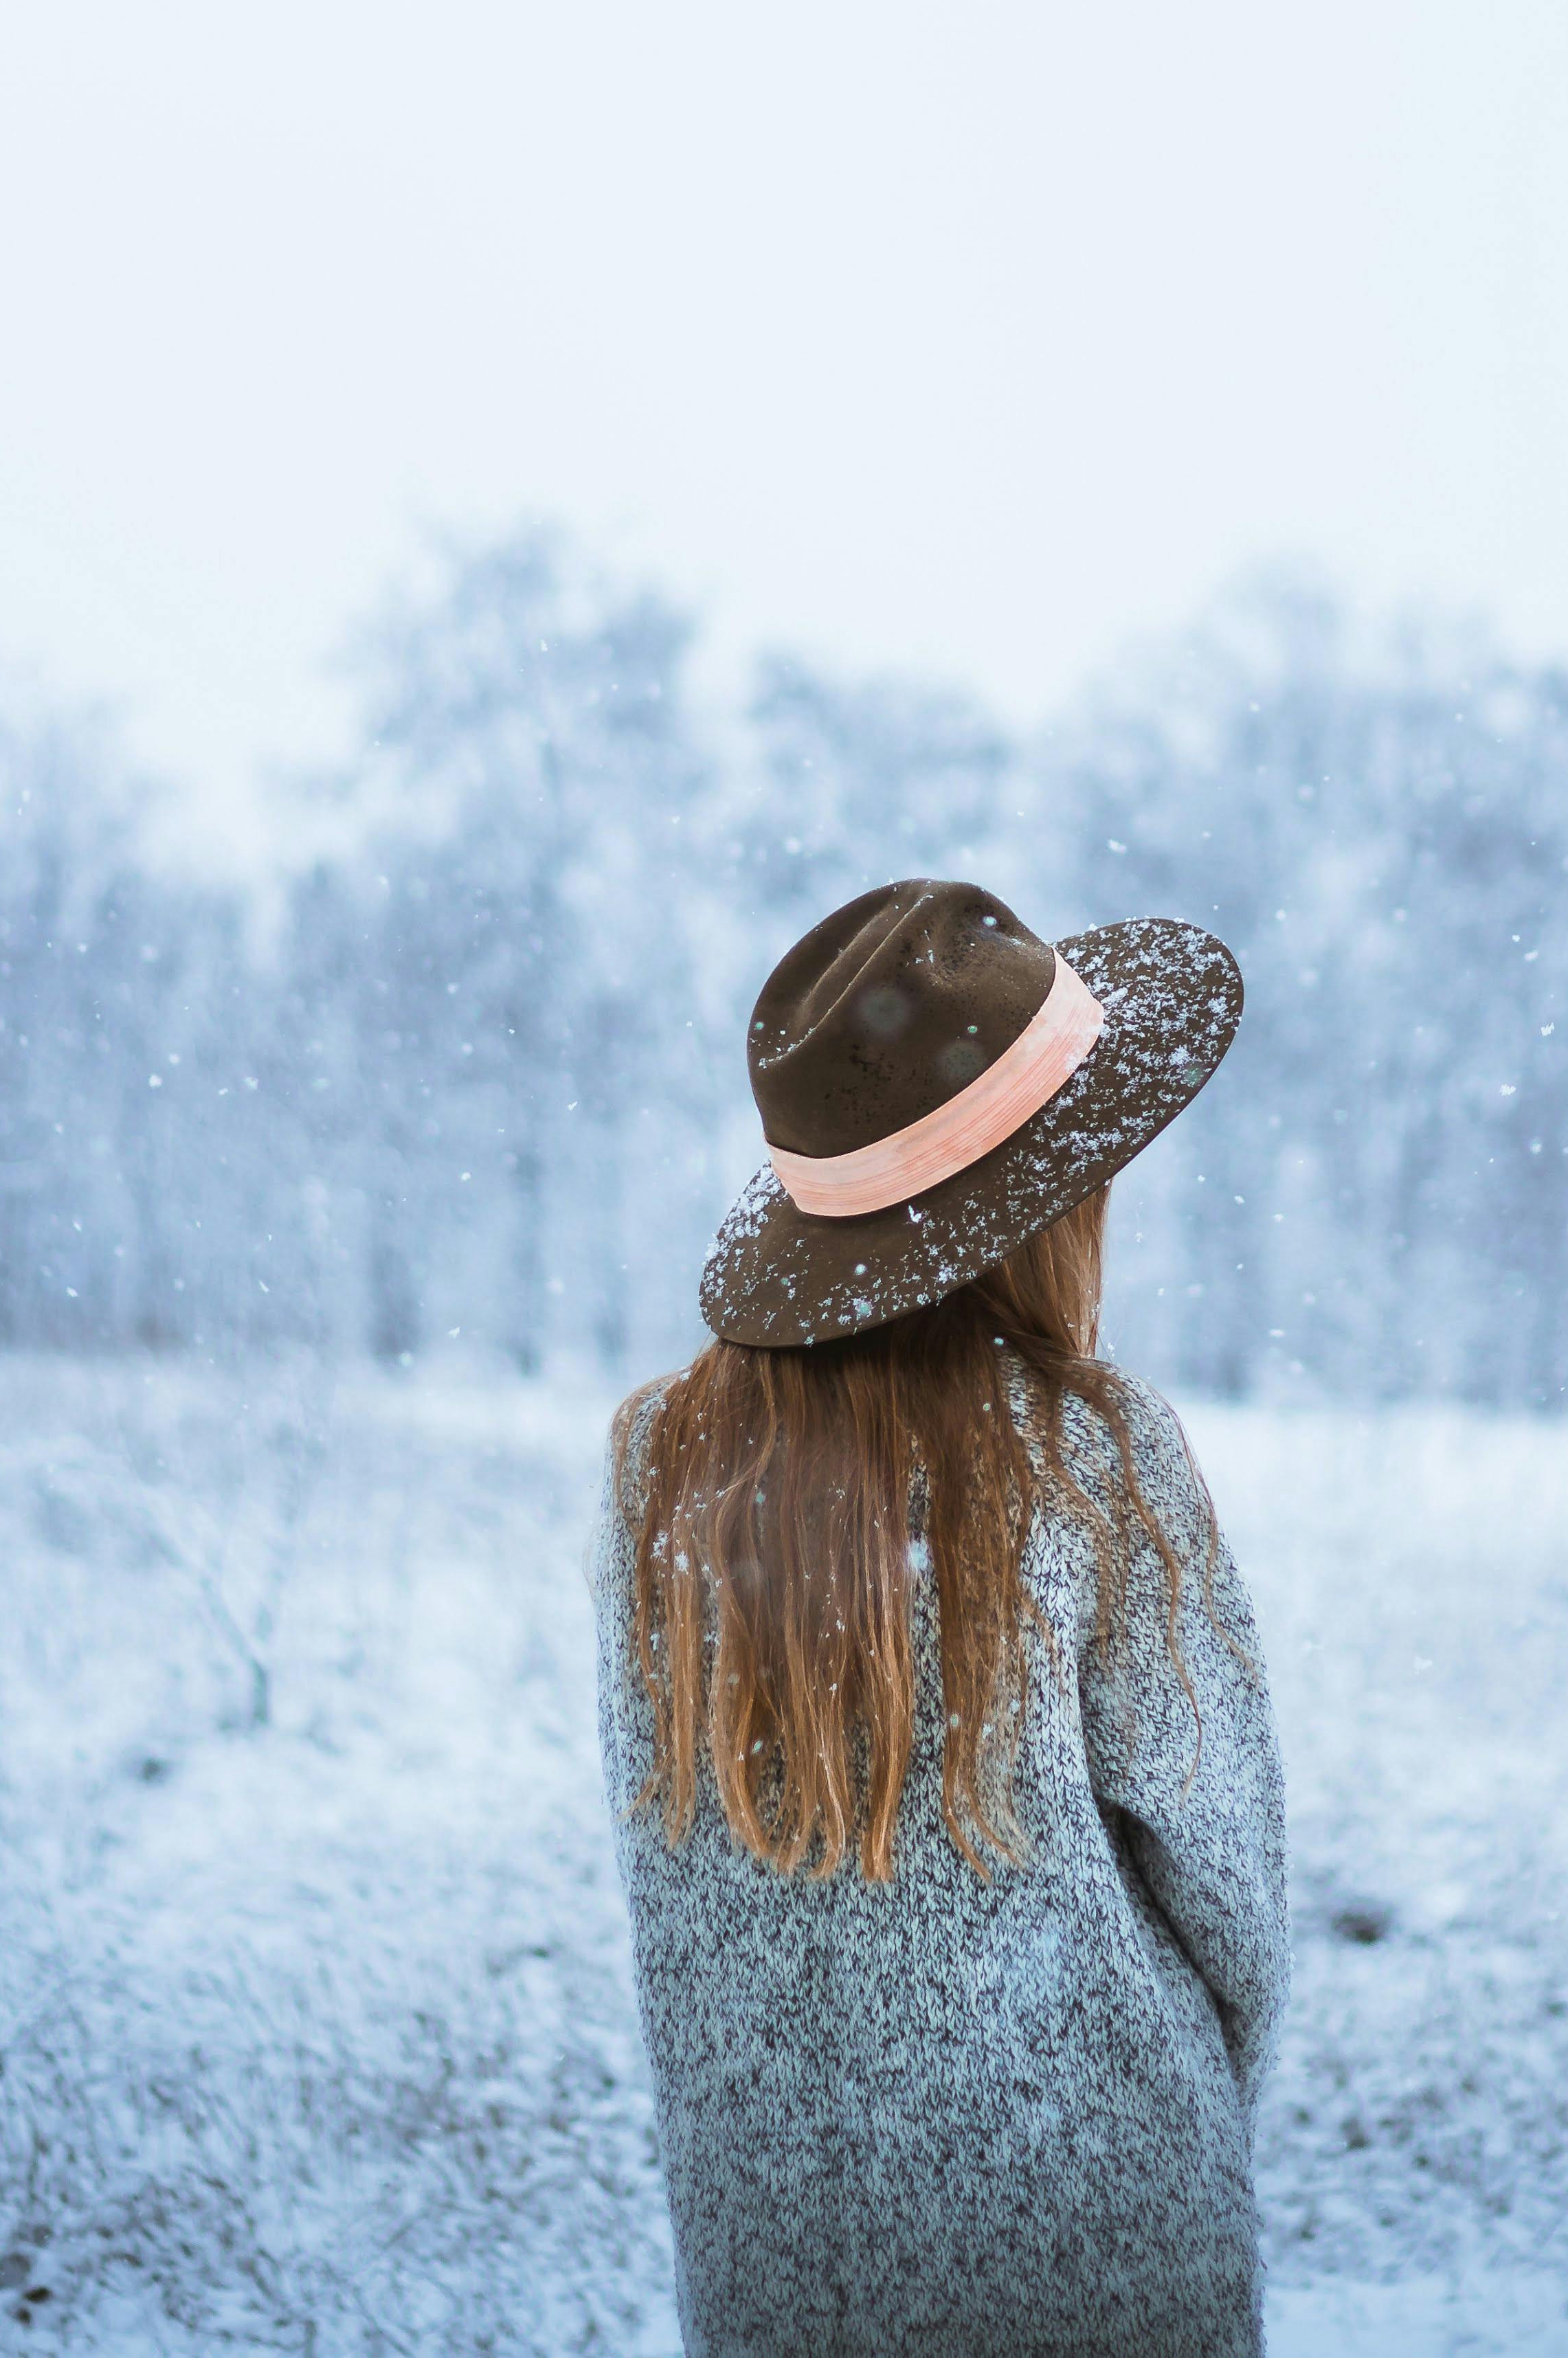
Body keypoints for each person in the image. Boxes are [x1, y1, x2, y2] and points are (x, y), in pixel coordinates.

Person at [592, 877, 1290, 2358]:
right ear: (1045, 1205)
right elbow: (1228, 1882)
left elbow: (669, 1866)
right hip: (1100, 2237)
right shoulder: (1098, 1453)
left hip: (778, 2247)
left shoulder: (656, 1465)